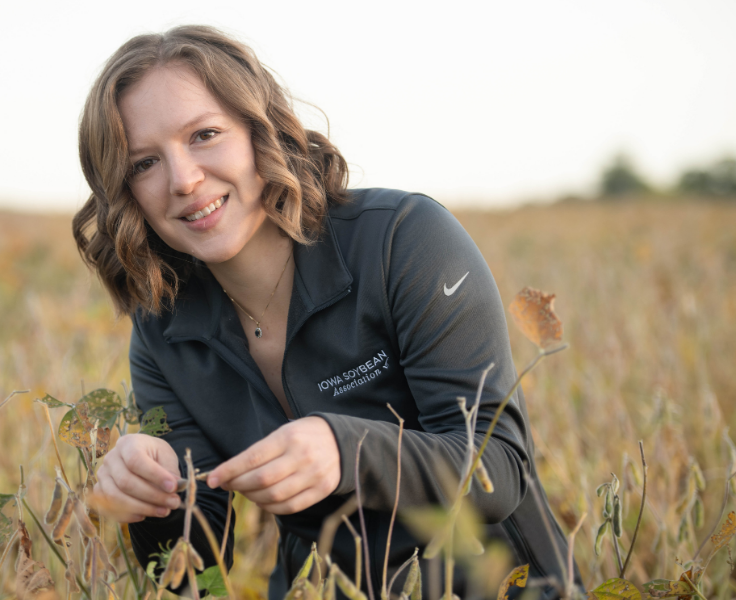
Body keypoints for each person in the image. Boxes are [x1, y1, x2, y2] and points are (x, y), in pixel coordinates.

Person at [72, 25, 575, 599]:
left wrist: (344, 448)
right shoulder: (162, 326)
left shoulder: (404, 241)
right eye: (144, 163)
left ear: (260, 131)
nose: (183, 179)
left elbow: (499, 468)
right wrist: (151, 493)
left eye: (205, 135)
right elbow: (195, 572)